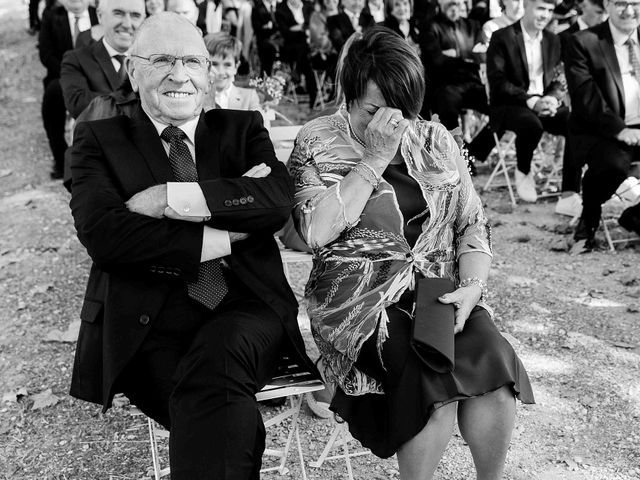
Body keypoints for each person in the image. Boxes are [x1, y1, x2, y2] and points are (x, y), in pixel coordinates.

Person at [68, 12, 316, 479]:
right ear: (134, 70)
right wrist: (230, 226)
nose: (179, 74)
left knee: (217, 374)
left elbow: (275, 204)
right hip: (148, 325)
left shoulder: (242, 129)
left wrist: (171, 198)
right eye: (162, 59)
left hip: (247, 307)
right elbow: (106, 237)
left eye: (191, 61)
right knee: (221, 406)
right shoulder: (98, 140)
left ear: (207, 74)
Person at [288, 26, 534, 479]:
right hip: (357, 303)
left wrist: (473, 288)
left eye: (401, 112)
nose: (389, 124)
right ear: (348, 94)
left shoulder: (435, 139)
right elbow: (314, 232)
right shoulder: (316, 140)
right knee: (433, 393)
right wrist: (375, 158)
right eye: (372, 110)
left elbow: (471, 223)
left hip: (439, 295)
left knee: (494, 378)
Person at [564, 0, 640, 251]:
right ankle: (589, 220)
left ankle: (635, 217)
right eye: (620, 3)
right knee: (613, 165)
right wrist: (621, 129)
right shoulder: (583, 41)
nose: (629, 10)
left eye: (635, 3)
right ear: (607, 4)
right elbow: (587, 98)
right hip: (601, 130)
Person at [486, 0, 576, 203]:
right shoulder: (502, 37)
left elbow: (559, 77)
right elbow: (498, 82)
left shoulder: (553, 39)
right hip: (510, 105)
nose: (545, 15)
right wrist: (531, 101)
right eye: (540, 8)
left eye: (550, 10)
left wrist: (552, 97)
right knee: (531, 124)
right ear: (526, 6)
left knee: (575, 121)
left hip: (544, 102)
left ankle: (570, 192)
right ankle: (523, 170)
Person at [419, 0, 495, 165]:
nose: (454, 4)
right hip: (444, 85)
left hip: (472, 83)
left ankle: (473, 152)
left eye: (457, 2)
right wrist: (468, 56)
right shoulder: (429, 27)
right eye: (449, 2)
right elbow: (437, 61)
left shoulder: (473, 26)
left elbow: (483, 56)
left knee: (502, 106)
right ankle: (460, 160)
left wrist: (457, 54)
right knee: (446, 106)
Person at [38, 0, 98, 179]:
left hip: (95, 76)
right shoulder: (52, 16)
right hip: (61, 76)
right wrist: (70, 75)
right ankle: (61, 160)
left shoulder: (99, 15)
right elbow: (46, 54)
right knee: (52, 96)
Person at [60, 0, 146, 119]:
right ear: (100, 16)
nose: (127, 24)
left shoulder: (153, 61)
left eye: (135, 15)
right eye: (118, 13)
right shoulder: (76, 59)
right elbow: (79, 105)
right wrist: (142, 103)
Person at [203, 32, 261, 112]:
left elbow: (261, 123)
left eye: (227, 65)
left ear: (236, 67)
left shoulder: (249, 97)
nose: (221, 72)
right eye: (214, 64)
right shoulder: (197, 97)